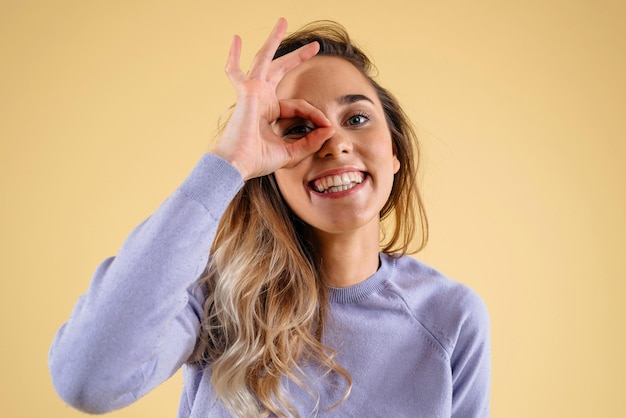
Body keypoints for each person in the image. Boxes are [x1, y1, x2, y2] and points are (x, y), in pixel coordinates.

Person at [49, 18, 491, 417]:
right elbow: (87, 381)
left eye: (356, 117)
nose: (334, 144)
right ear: (269, 171)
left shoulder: (451, 317)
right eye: (299, 128)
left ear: (394, 152)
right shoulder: (218, 299)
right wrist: (228, 162)